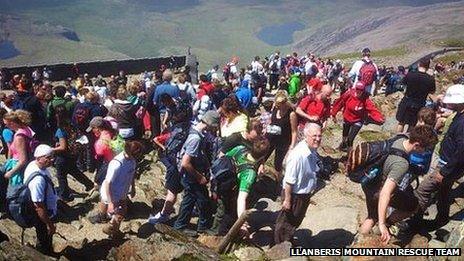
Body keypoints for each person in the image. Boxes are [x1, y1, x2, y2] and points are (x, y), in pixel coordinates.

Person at [359, 125, 438, 244]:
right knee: (413, 206)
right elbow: (385, 192)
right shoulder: (401, 164)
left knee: (371, 217)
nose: (425, 152)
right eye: (425, 148)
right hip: (379, 190)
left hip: (368, 182)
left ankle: (355, 245)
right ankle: (386, 225)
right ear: (416, 145)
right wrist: (382, 224)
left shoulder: (399, 139)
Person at [413, 84, 464, 229]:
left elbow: (462, 151)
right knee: (444, 193)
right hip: (451, 165)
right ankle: (441, 220)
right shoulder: (459, 116)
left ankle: (412, 221)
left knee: (422, 191)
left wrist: (444, 171)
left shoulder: (462, 122)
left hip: (447, 165)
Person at [209, 139, 270, 236]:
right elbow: (241, 198)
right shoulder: (249, 173)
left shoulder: (240, 149)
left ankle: (215, 228)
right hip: (230, 193)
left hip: (219, 182)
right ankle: (219, 234)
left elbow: (223, 158)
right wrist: (242, 223)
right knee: (227, 214)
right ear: (264, 155)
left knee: (220, 209)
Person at [173, 110, 220, 236]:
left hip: (188, 175)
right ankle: (198, 226)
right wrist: (200, 178)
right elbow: (186, 163)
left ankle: (182, 225)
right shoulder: (196, 139)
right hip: (191, 175)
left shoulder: (193, 130)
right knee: (201, 200)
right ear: (211, 124)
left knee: (191, 199)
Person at [274, 123, 322, 244]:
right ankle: (279, 247)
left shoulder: (311, 150)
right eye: (314, 136)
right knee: (286, 223)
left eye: (319, 136)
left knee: (295, 221)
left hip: (303, 195)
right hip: (294, 195)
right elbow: (289, 180)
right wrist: (287, 200)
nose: (317, 139)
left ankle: (287, 241)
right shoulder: (298, 155)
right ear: (306, 136)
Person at [90, 141, 144, 236]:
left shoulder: (132, 161)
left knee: (121, 211)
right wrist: (111, 203)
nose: (139, 158)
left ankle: (111, 227)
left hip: (123, 190)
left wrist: (133, 187)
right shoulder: (117, 164)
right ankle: (109, 226)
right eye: (138, 155)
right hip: (111, 192)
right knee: (113, 209)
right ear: (132, 153)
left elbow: (131, 174)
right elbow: (107, 183)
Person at [53, 105, 94, 201]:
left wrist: (51, 149)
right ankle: (89, 185)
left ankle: (64, 196)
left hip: (63, 156)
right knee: (74, 171)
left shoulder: (60, 130)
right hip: (73, 153)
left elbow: (63, 147)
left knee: (61, 176)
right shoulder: (72, 125)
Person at [23, 144, 58, 254]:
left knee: (44, 236)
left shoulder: (33, 165)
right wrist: (49, 224)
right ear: (38, 158)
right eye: (48, 157)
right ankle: (44, 253)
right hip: (42, 215)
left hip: (45, 210)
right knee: (44, 237)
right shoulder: (38, 180)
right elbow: (39, 207)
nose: (52, 159)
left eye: (52, 156)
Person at [331, 81, 385, 151]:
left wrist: (379, 117)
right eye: (357, 89)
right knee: (344, 135)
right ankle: (343, 144)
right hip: (347, 117)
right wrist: (333, 113)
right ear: (355, 88)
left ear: (363, 90)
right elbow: (340, 102)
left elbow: (372, 109)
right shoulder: (349, 94)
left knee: (350, 139)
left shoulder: (365, 99)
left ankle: (350, 156)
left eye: (361, 90)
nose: (359, 91)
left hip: (358, 120)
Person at [396, 58, 436, 133]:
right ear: (428, 66)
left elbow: (402, 84)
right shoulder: (430, 79)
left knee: (401, 122)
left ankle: (396, 138)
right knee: (412, 124)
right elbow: (432, 92)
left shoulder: (410, 74)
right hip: (419, 103)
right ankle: (407, 139)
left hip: (407, 101)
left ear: (419, 64)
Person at [265, 91, 298, 173]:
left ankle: (277, 180)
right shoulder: (275, 108)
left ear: (284, 103)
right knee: (263, 157)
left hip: (283, 141)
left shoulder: (291, 114)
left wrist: (292, 146)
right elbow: (271, 121)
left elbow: (294, 131)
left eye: (278, 105)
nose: (277, 107)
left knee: (278, 163)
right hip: (270, 137)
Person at [3, 110, 36, 187]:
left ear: (12, 123)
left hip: (19, 169)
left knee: (16, 192)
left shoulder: (19, 137)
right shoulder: (26, 129)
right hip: (26, 164)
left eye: (6, 124)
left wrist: (10, 172)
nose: (6, 127)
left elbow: (23, 160)